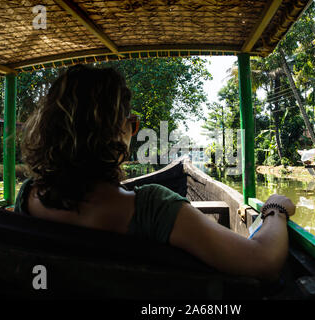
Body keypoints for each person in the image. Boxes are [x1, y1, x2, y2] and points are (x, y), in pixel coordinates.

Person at [15, 64, 296, 281]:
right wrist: (274, 209)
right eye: (132, 123)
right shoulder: (153, 207)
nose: (134, 131)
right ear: (116, 131)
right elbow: (263, 262)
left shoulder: (28, 195)